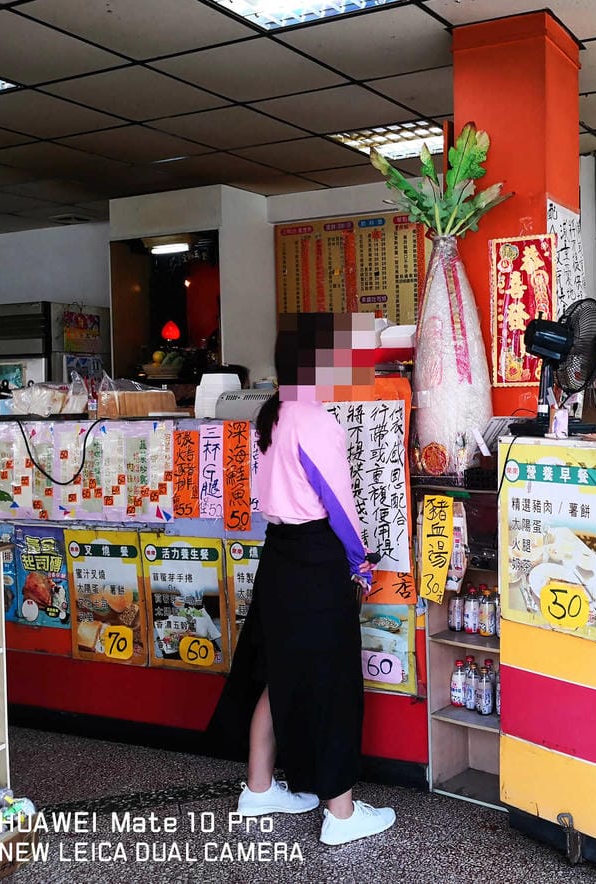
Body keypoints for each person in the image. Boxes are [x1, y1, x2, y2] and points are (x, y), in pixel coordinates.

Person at [231, 313, 396, 847]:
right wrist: (360, 562)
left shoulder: (270, 415)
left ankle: (258, 789)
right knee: (332, 681)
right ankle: (342, 815)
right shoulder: (316, 420)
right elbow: (340, 506)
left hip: (278, 555)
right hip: (316, 557)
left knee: (281, 674)